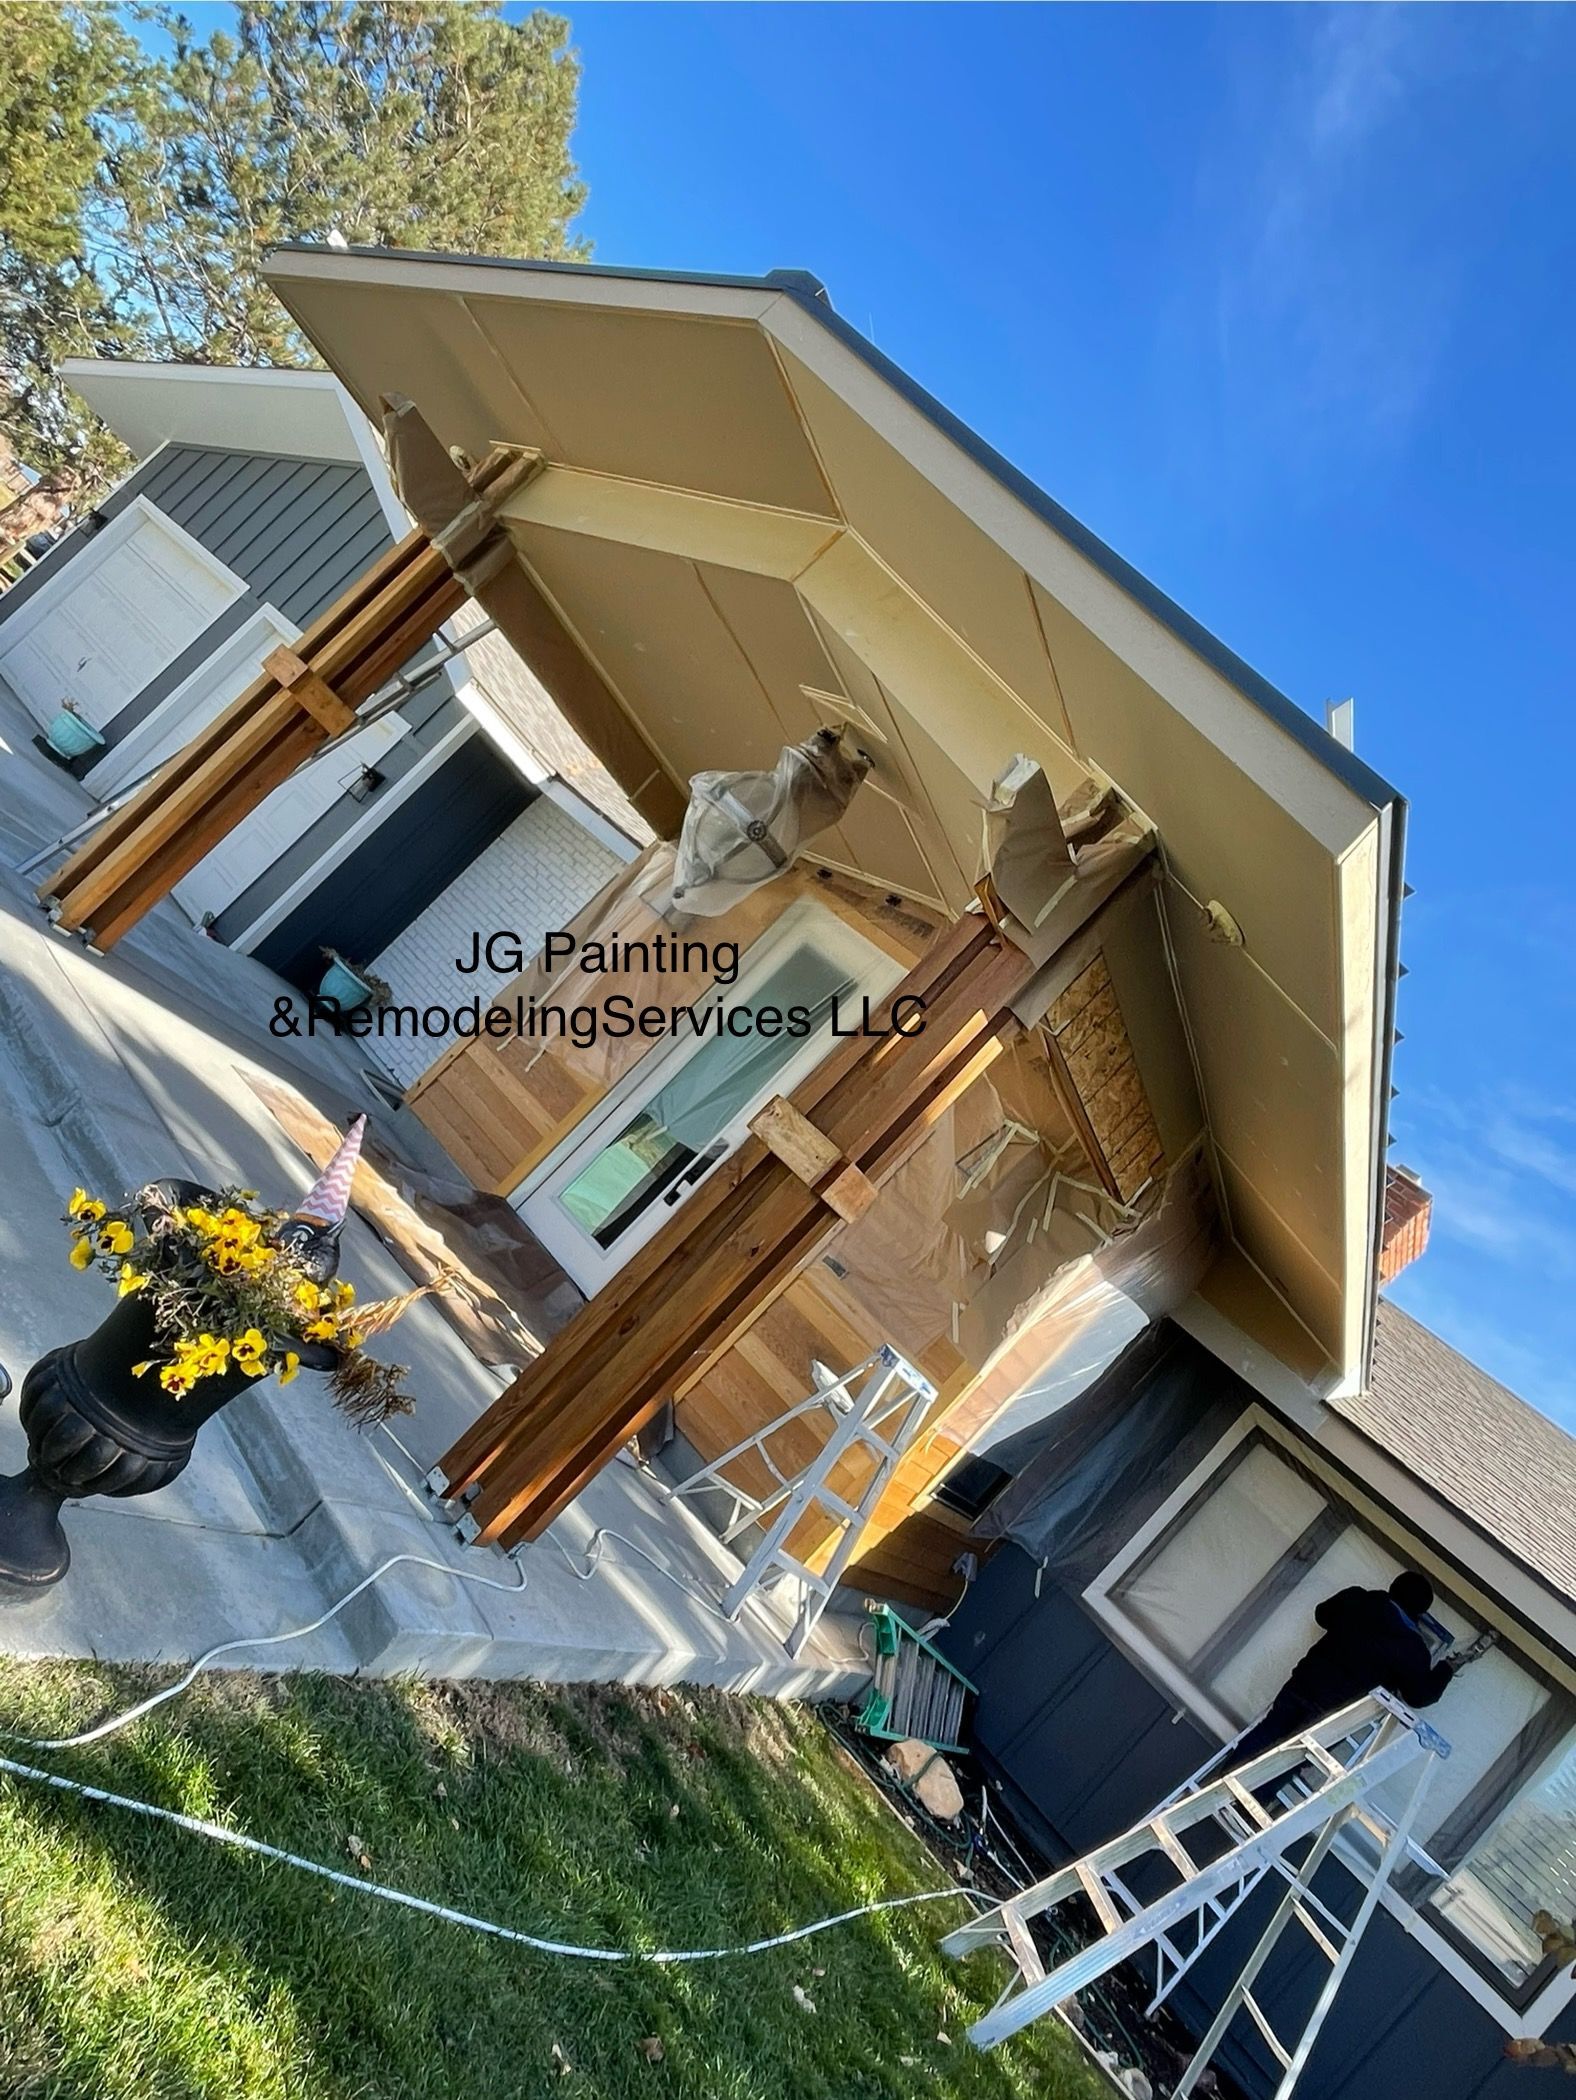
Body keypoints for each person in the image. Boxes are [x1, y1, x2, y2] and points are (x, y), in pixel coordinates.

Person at [1231, 1571, 1456, 1768]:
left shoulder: (1357, 1599)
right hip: (1337, 1711)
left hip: (1305, 1683)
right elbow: (1418, 1696)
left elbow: (1323, 1614)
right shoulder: (1412, 1648)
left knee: (1269, 1730)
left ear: (1393, 1587)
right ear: (1419, 1611)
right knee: (1297, 1756)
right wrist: (1446, 1669)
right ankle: (1250, 1803)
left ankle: (1218, 1786)